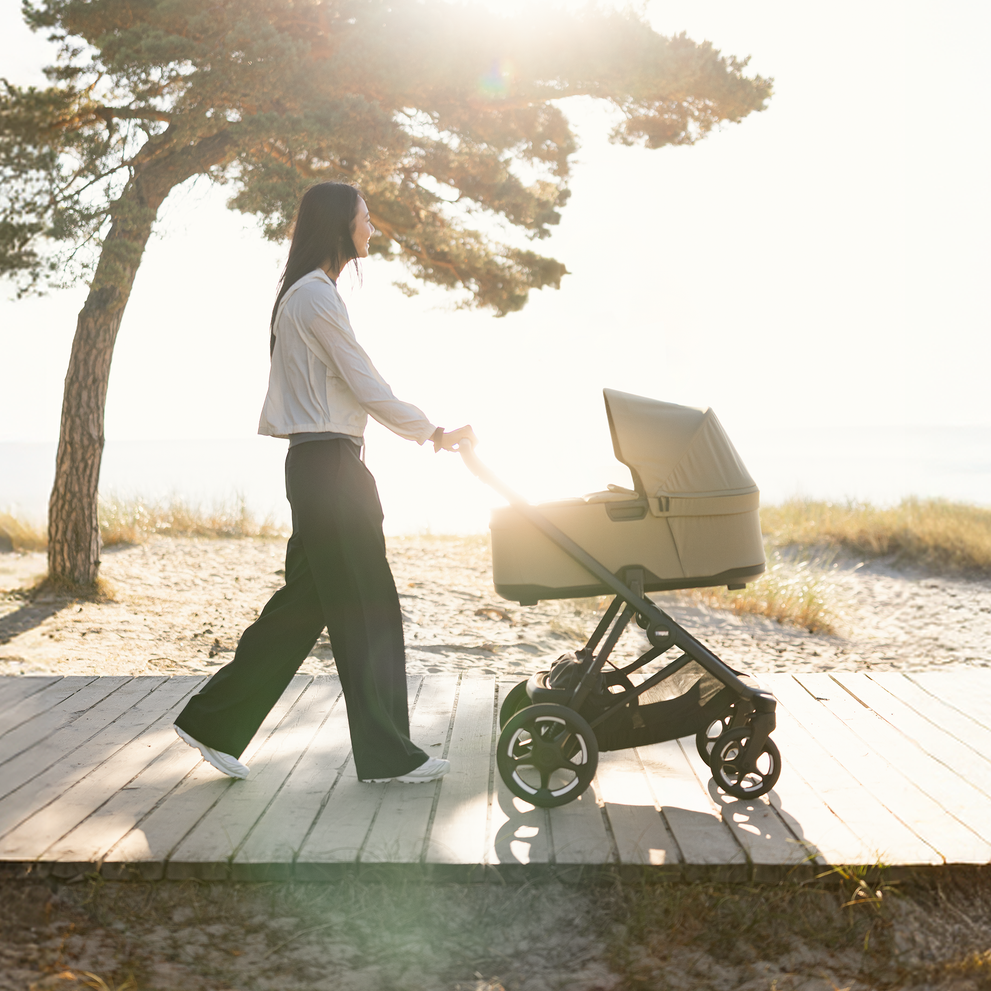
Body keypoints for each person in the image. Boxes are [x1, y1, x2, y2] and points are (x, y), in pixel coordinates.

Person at [173, 181, 475, 784]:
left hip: (322, 468)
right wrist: (434, 432)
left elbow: (354, 387)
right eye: (365, 219)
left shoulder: (309, 295)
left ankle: (212, 721)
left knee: (304, 606)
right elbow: (367, 384)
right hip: (332, 471)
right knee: (369, 610)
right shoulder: (315, 297)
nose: (372, 229)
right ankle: (389, 757)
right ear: (339, 225)